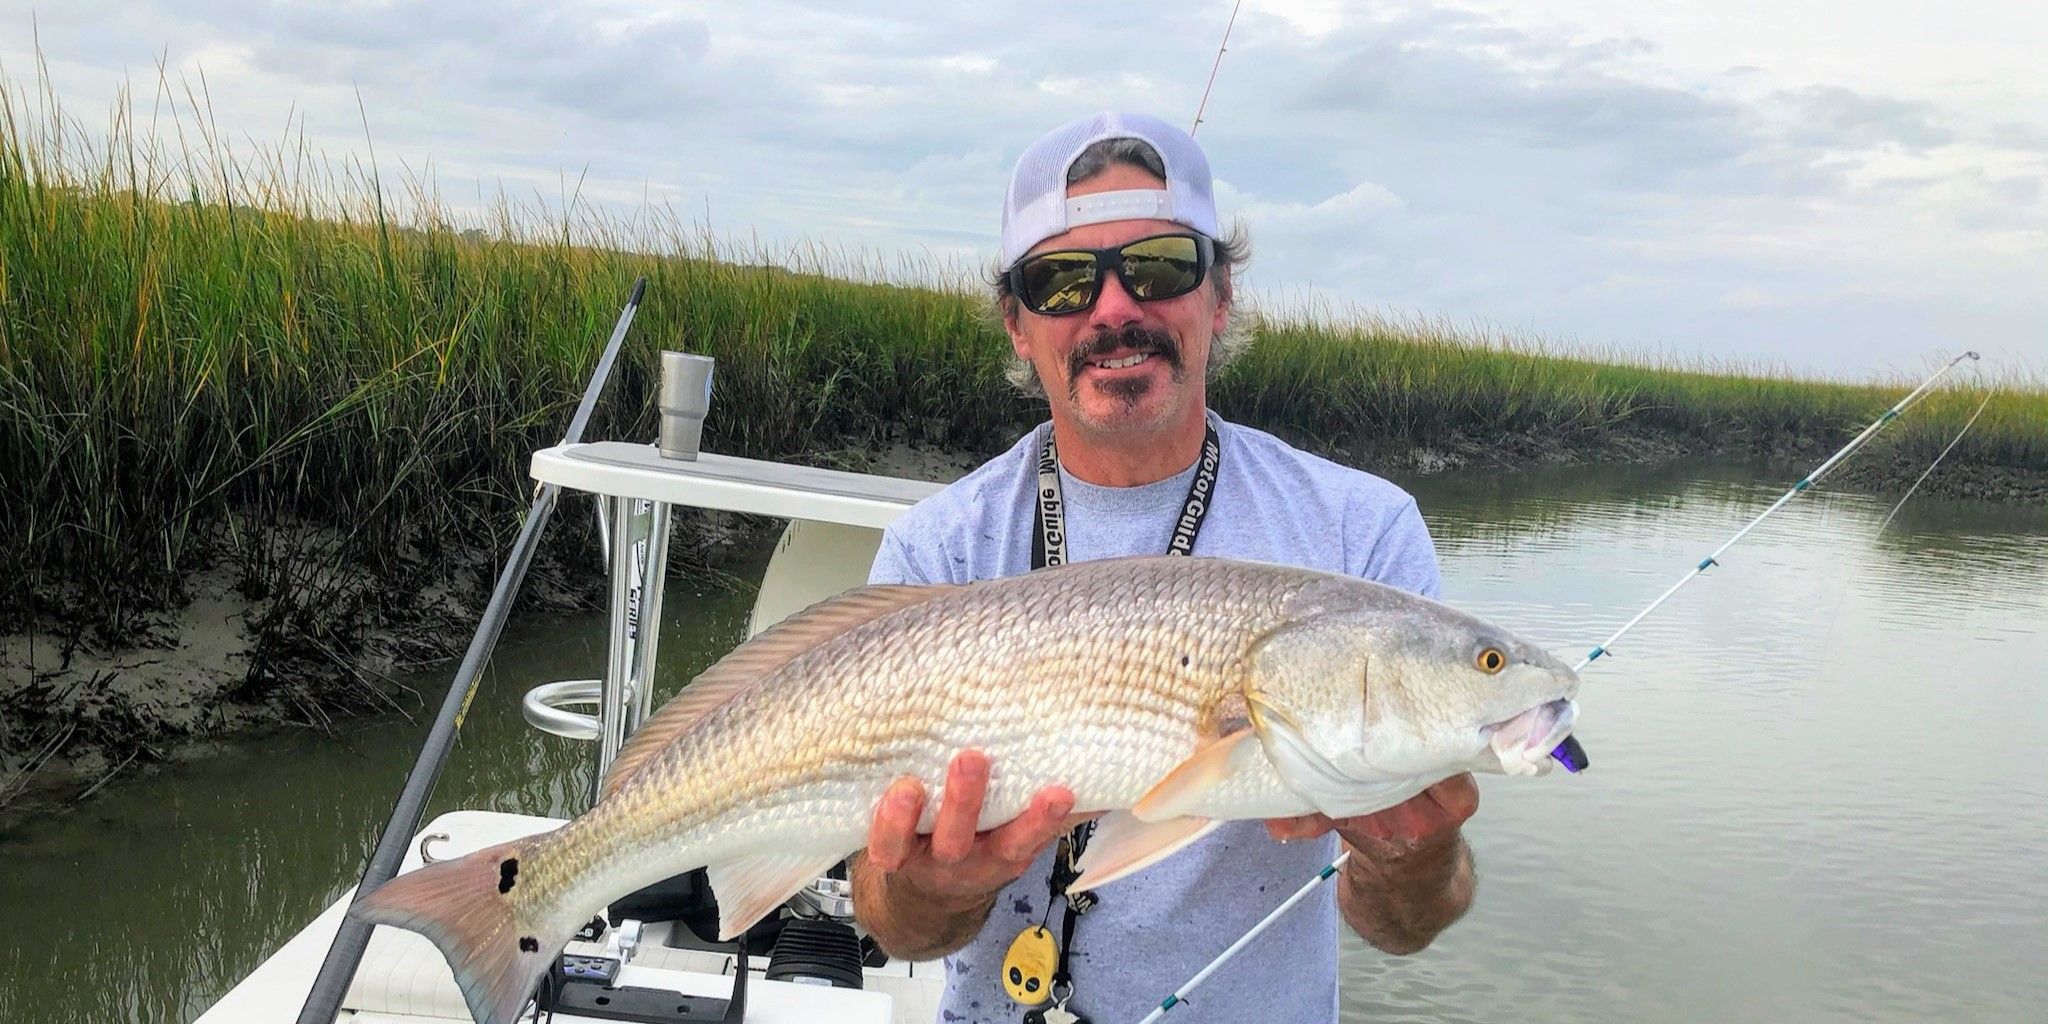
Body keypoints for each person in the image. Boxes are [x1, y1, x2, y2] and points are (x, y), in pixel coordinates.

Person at [847, 112, 1477, 1024]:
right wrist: (935, 888)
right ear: (1019, 326)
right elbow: (894, 926)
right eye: (1061, 281)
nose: (1113, 310)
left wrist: (1415, 858)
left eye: (1159, 267)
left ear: (1220, 298)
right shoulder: (939, 549)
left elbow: (1407, 928)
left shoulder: (1359, 536)